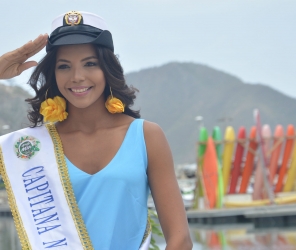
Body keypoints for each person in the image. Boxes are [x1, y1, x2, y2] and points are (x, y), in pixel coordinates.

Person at [0, 11, 192, 250]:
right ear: (54, 74)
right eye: (64, 66)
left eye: (90, 63)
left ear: (107, 68)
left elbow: (180, 239)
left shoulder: (146, 136)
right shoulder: (31, 146)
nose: (77, 77)